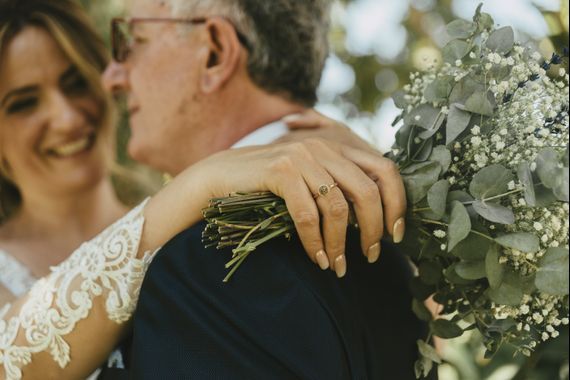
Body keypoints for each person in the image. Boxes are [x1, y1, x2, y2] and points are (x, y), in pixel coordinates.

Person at [0, 0, 409, 378]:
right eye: (21, 103)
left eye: (134, 42)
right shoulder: (191, 218)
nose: (112, 78)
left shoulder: (209, 254)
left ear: (214, 52)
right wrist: (200, 183)